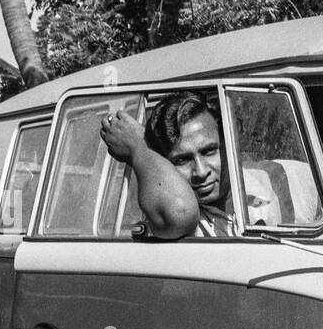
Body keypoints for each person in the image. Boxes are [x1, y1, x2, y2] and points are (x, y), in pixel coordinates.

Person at [99, 90, 237, 238]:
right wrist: (139, 146)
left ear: (227, 143)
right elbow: (179, 213)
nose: (201, 172)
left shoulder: (261, 178)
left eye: (209, 151)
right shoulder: (176, 208)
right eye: (182, 160)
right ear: (164, 164)